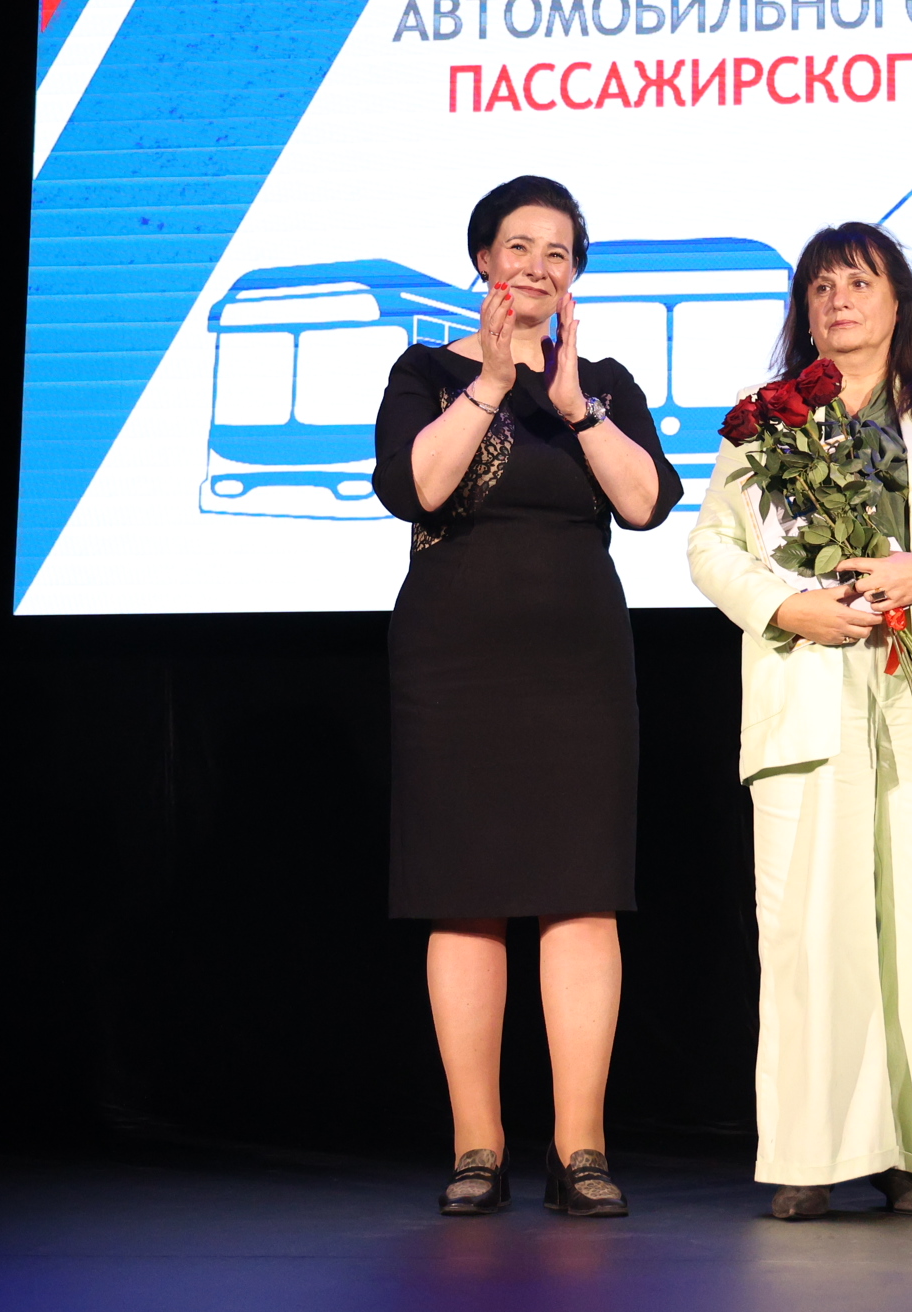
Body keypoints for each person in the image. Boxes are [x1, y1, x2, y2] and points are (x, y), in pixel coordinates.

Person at [688, 222, 912, 1221]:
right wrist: (785, 605)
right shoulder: (764, 418)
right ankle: (813, 1151)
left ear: (898, 302)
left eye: (859, 281)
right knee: (812, 932)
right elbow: (712, 549)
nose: (839, 299)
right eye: (821, 286)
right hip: (811, 682)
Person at [372, 175, 682, 1219]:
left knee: (580, 895)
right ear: (484, 261)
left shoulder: (604, 384)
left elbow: (645, 503)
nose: (539, 265)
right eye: (520, 246)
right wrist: (494, 383)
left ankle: (581, 1147)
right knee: (464, 897)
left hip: (579, 670)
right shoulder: (425, 371)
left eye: (559, 251)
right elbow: (417, 487)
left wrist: (573, 405)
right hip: (453, 667)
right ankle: (477, 1146)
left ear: (575, 274)